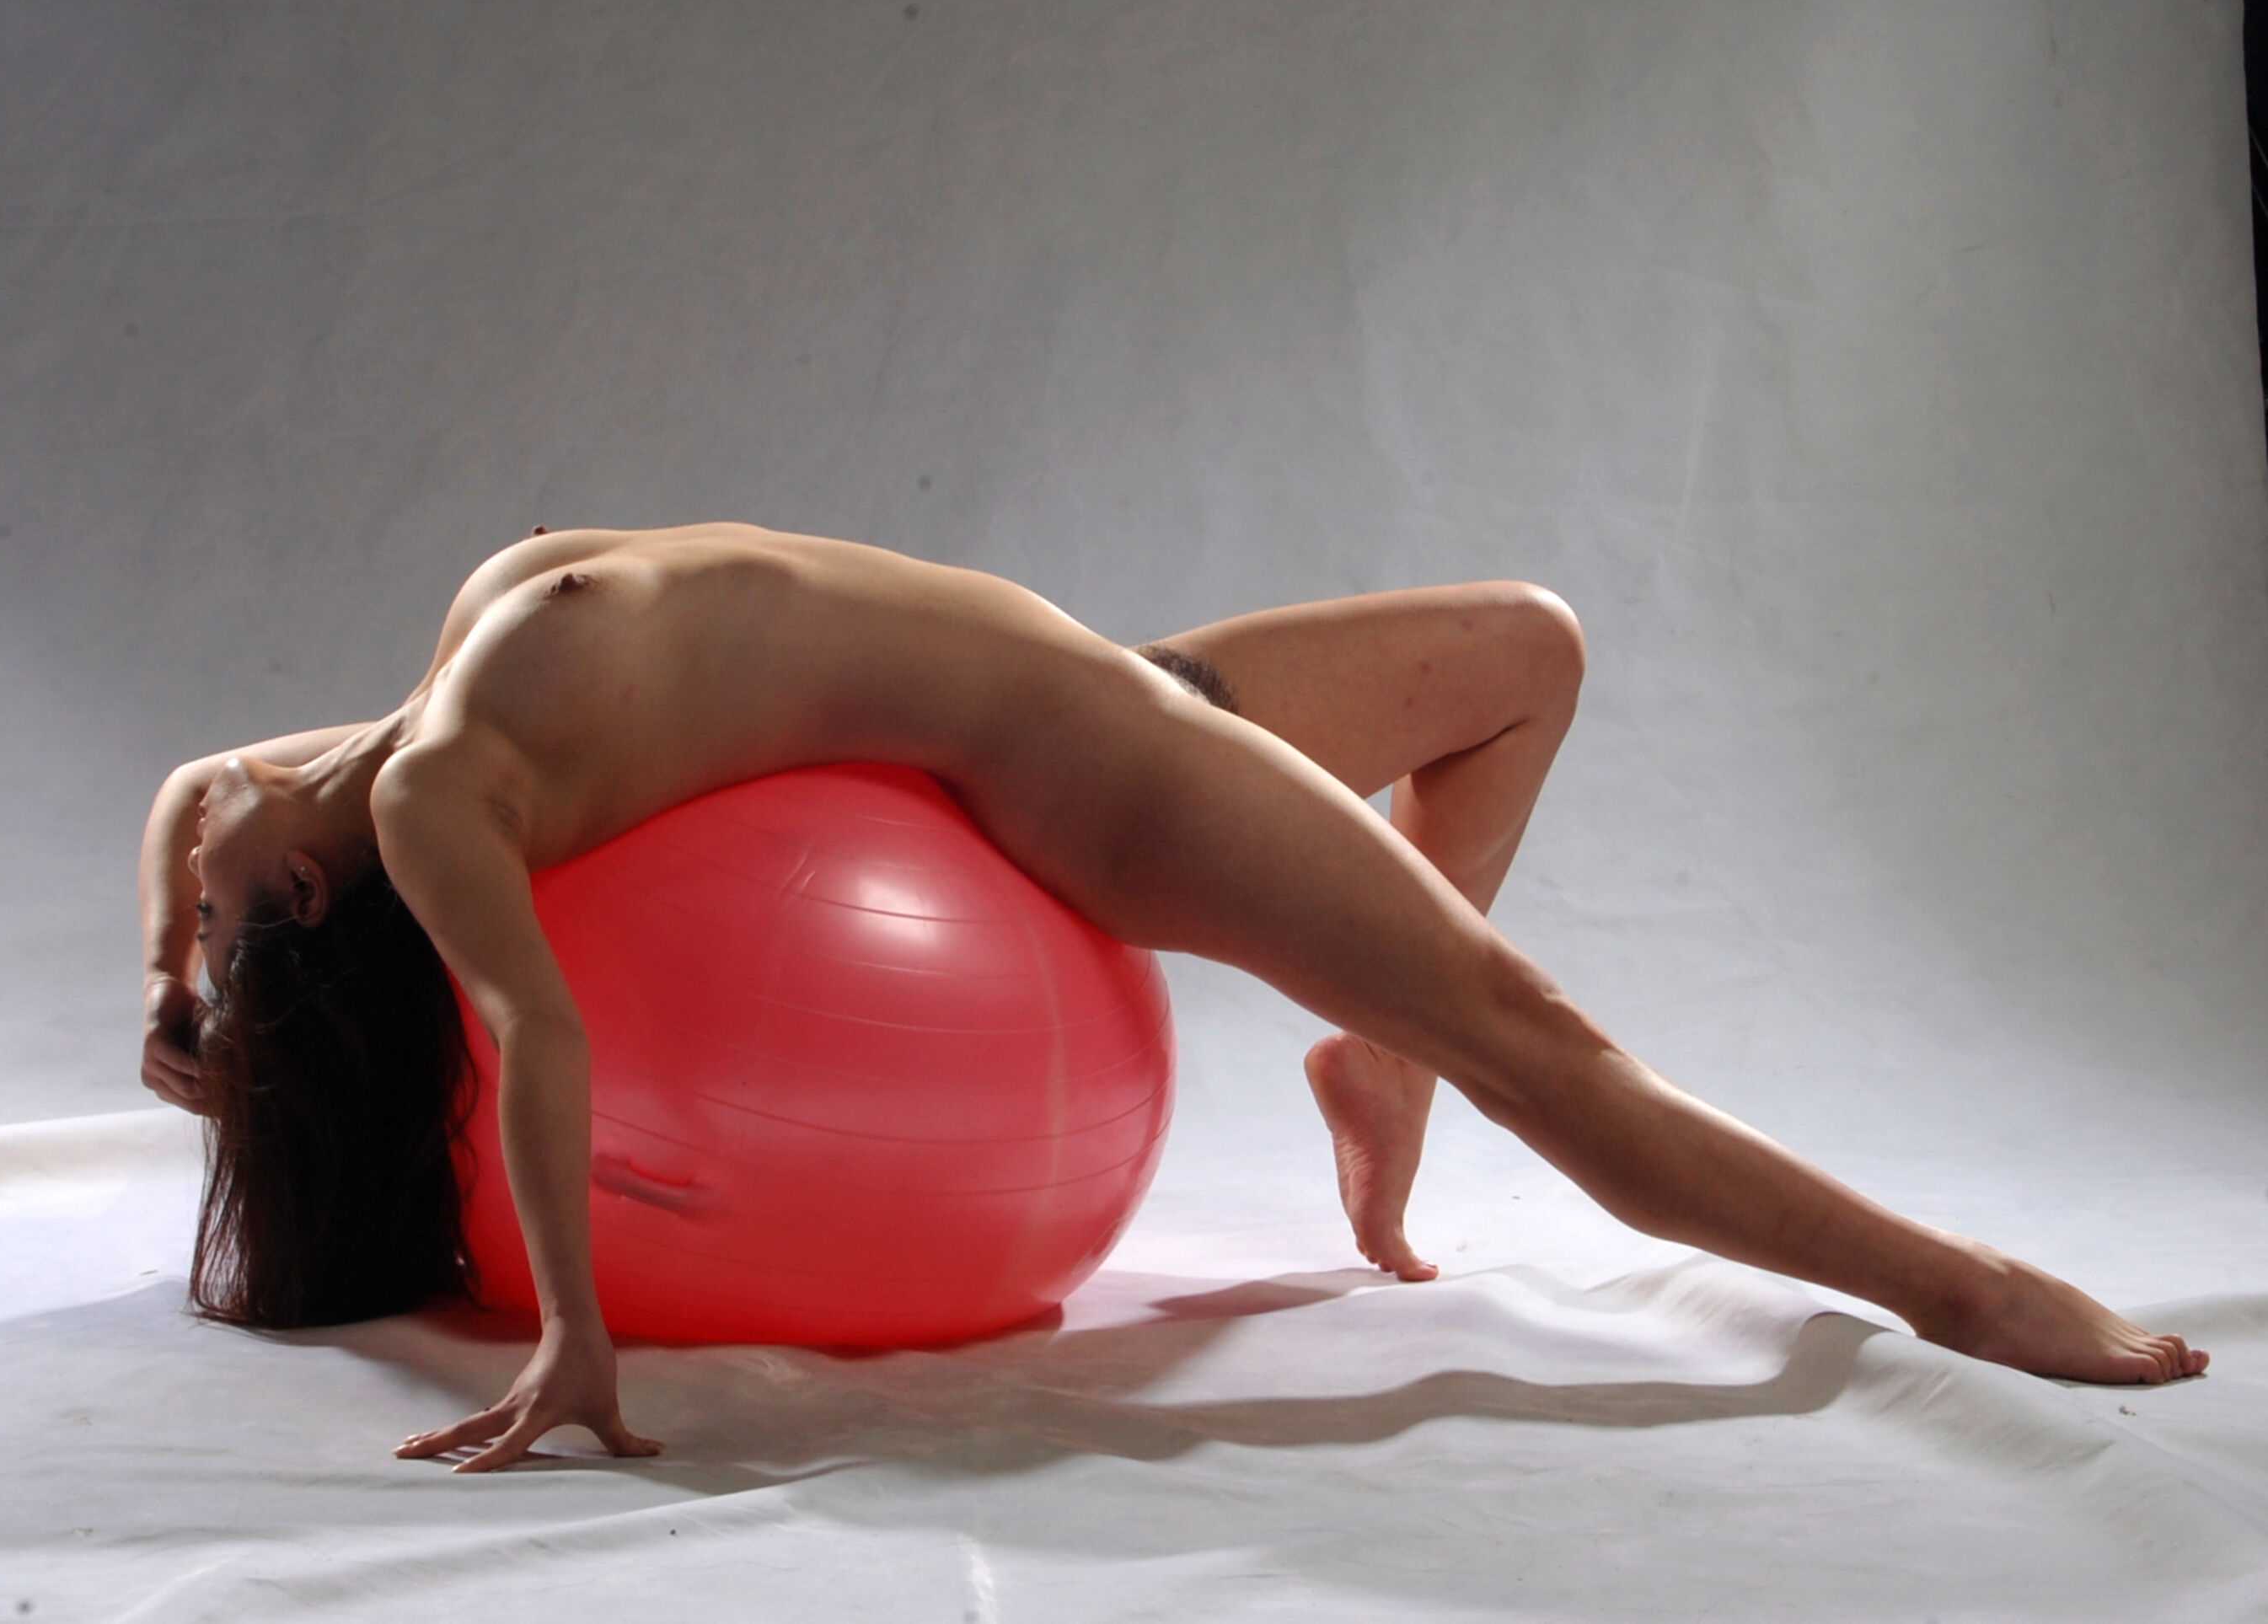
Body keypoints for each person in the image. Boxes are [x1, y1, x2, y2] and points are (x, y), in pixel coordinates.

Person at [135, 521, 2207, 1474]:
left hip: (1107, 677)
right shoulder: (431, 796)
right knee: (1543, 1042)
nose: (199, 855)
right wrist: (577, 1328)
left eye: (202, 926)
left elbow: (185, 791)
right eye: (229, 930)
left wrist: (175, 972)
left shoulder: (359, 753)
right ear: (313, 893)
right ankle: (1961, 1288)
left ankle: (1370, 1055)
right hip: (1092, 780)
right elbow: (545, 1036)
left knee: (1528, 651)